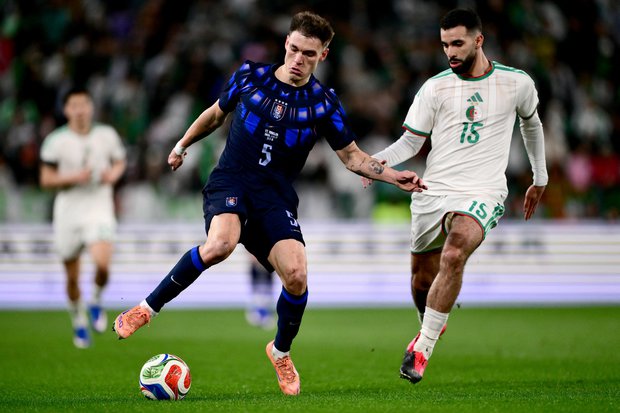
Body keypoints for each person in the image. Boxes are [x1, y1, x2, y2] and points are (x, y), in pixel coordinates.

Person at [113, 11, 426, 396]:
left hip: (275, 196)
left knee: (296, 275)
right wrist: (181, 145)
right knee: (220, 244)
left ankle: (280, 351)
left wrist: (394, 176)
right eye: (294, 49)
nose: (298, 59)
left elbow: (351, 157)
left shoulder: (323, 104)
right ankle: (145, 309)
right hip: (232, 180)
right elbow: (215, 115)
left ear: (323, 55)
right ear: (285, 44)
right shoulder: (250, 76)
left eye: (308, 54)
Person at [367, 8, 547, 383]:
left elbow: (531, 125)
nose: (450, 51)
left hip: (483, 191)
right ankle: (431, 320)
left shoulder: (517, 83)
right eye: (445, 44)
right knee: (421, 281)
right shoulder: (435, 87)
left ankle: (422, 348)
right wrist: (377, 162)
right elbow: (411, 142)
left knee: (455, 251)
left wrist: (539, 176)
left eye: (458, 43)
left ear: (479, 40)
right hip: (433, 191)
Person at [40, 86, 127, 349]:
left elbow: (120, 162)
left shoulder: (106, 135)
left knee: (103, 265)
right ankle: (78, 320)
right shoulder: (55, 141)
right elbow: (46, 179)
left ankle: (96, 300)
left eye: (84, 104)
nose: (80, 110)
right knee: (72, 276)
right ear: (66, 110)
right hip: (68, 210)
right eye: (74, 105)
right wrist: (73, 177)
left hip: (99, 206)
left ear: (91, 107)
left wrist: (113, 175)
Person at [246, 254, 277, 329]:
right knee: (259, 298)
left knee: (266, 298)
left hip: (266, 275)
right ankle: (258, 314)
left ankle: (264, 315)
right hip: (257, 277)